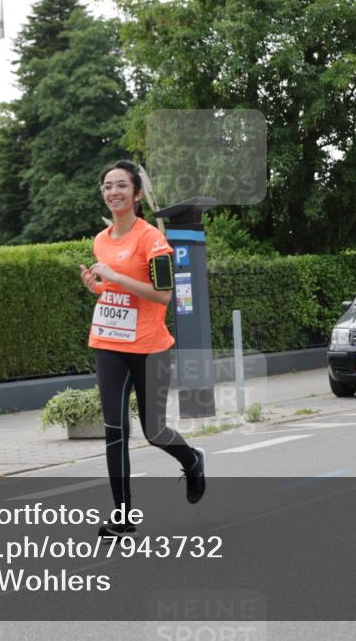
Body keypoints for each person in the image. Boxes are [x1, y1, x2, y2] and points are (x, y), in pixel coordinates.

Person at [79, 160, 206, 539]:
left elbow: (163, 296)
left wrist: (115, 276)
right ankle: (122, 516)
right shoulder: (101, 240)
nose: (112, 192)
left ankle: (192, 460)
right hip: (108, 342)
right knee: (114, 430)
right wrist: (98, 288)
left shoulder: (153, 240)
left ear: (136, 194)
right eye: (107, 186)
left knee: (154, 430)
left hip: (150, 346)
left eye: (120, 185)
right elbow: (115, 291)